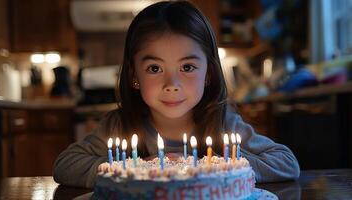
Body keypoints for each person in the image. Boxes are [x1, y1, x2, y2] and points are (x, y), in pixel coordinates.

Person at [53, 1, 300, 188]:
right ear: (133, 76)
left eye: (187, 67)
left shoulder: (222, 124)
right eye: (154, 68)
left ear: (208, 74)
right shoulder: (119, 126)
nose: (172, 84)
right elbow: (64, 166)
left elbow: (286, 163)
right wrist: (129, 169)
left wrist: (217, 164)